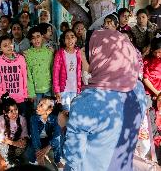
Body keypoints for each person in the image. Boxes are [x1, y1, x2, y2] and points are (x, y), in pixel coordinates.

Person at [63, 29, 147, 171]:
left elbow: (73, 158)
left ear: (100, 59)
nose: (82, 57)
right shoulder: (138, 89)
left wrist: (65, 124)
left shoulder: (87, 101)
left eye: (87, 53)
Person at [0, 35, 28, 116]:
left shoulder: (21, 58)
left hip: (20, 96)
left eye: (10, 44)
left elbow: (24, 76)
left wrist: (25, 93)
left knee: (21, 117)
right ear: (0, 49)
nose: (9, 47)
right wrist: (0, 95)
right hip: (7, 97)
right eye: (5, 45)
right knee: (9, 119)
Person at [29, 97, 64, 170]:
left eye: (41, 105)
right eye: (39, 103)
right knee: (32, 152)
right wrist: (40, 154)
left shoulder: (54, 119)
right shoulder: (33, 118)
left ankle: (57, 160)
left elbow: (57, 135)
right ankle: (37, 157)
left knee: (58, 139)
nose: (38, 106)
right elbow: (35, 136)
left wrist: (48, 147)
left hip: (48, 140)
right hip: (38, 140)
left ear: (48, 111)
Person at [143, 34, 161, 164]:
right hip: (150, 94)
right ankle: (153, 151)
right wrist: (156, 92)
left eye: (160, 52)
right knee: (152, 122)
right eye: (156, 52)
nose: (158, 55)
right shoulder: (147, 61)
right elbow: (145, 78)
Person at [0, 93, 28, 166]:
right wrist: (13, 143)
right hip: (6, 142)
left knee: (23, 147)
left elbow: (24, 133)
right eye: (11, 111)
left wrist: (23, 140)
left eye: (16, 109)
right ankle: (6, 159)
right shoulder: (0, 119)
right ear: (5, 112)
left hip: (17, 140)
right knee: (2, 147)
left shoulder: (22, 119)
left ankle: (16, 157)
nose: (14, 113)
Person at [53, 29, 82, 111]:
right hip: (64, 90)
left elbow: (82, 71)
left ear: (76, 39)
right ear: (64, 40)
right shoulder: (60, 54)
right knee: (66, 112)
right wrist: (57, 90)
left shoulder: (79, 52)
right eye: (67, 37)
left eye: (72, 37)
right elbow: (55, 73)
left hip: (76, 88)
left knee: (76, 111)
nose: (70, 39)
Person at [26, 26, 53, 108]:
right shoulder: (28, 54)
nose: (36, 40)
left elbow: (52, 70)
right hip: (36, 90)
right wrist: (31, 93)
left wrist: (54, 88)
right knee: (38, 110)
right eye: (33, 38)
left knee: (48, 110)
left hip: (48, 88)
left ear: (42, 37)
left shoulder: (49, 52)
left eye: (38, 36)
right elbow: (28, 75)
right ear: (30, 40)